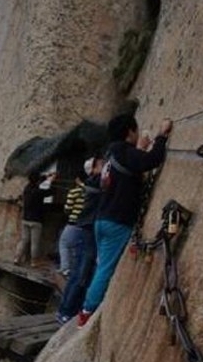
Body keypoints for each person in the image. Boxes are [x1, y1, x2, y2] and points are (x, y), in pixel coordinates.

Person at [78, 115, 172, 327]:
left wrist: (140, 147)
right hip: (117, 221)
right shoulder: (123, 152)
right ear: (129, 131)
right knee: (105, 268)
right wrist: (162, 135)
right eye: (135, 129)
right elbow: (151, 160)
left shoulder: (111, 154)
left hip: (102, 219)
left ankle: (90, 303)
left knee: (102, 265)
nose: (138, 132)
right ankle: (87, 311)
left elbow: (132, 166)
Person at [56, 156, 104, 324]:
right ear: (92, 170)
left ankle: (67, 308)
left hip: (79, 227)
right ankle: (66, 310)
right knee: (81, 274)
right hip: (85, 230)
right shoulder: (92, 185)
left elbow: (68, 209)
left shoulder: (83, 188)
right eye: (101, 164)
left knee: (80, 270)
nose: (105, 165)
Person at [14, 171, 57, 265]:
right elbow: (51, 192)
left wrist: (46, 176)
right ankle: (34, 262)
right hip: (36, 220)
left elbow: (36, 180)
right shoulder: (39, 192)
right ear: (37, 181)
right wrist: (52, 181)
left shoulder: (26, 189)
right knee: (35, 242)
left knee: (24, 240)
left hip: (25, 219)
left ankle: (17, 258)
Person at [57, 171, 87, 276]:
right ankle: (73, 270)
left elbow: (67, 209)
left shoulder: (74, 192)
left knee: (64, 244)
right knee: (76, 248)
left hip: (73, 223)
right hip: (85, 225)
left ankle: (65, 268)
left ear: (78, 180)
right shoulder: (89, 192)